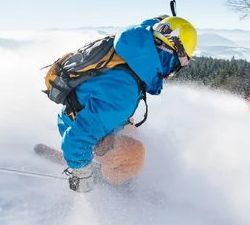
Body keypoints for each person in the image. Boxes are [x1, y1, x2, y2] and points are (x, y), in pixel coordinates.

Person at [56, 16, 198, 192]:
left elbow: (147, 26)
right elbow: (76, 139)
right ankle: (111, 182)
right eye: (177, 66)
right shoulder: (123, 93)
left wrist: (165, 23)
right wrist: (82, 171)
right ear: (170, 58)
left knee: (132, 129)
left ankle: (104, 158)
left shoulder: (135, 46)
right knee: (135, 154)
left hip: (81, 110)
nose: (170, 74)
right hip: (75, 127)